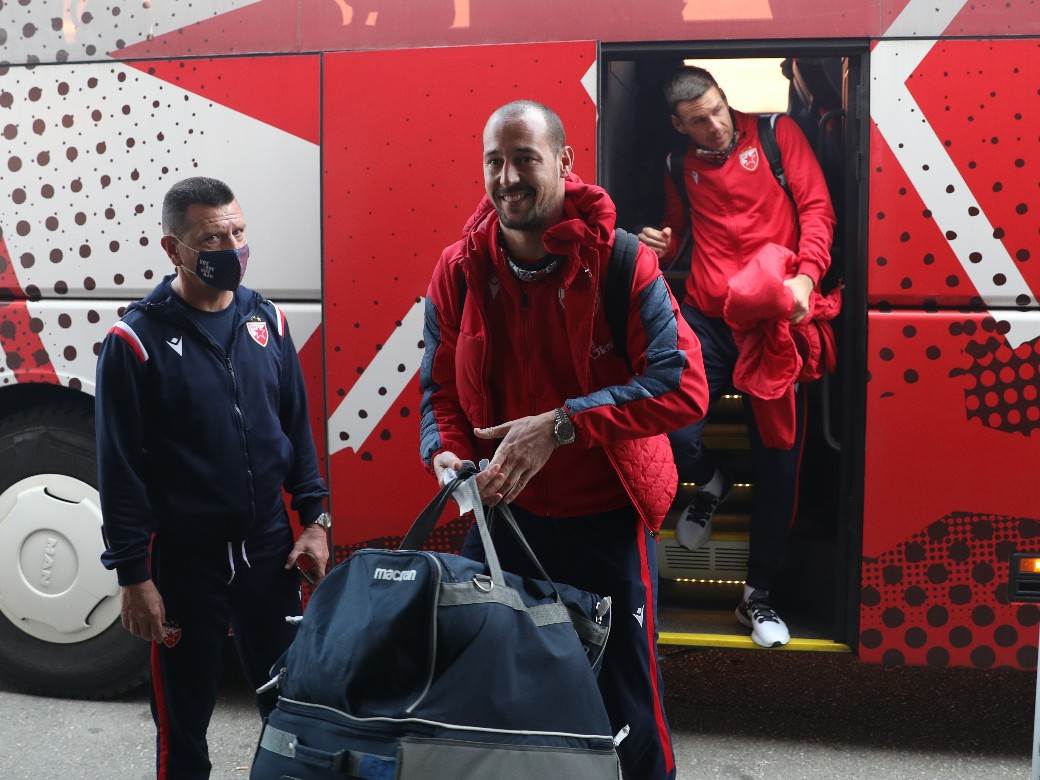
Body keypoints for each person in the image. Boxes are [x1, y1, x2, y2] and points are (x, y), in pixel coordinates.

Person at [419, 100, 709, 780]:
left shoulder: (623, 262)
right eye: (495, 161)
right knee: (491, 704)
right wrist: (448, 454)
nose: (508, 177)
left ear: (564, 162)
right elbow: (437, 394)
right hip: (502, 521)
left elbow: (684, 385)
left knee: (626, 713)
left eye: (525, 159)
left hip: (604, 521)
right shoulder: (458, 269)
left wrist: (561, 424)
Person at [95, 177, 331, 779]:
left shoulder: (267, 321)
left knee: (292, 715)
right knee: (184, 725)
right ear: (173, 249)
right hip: (184, 566)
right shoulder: (133, 342)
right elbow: (118, 471)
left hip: (270, 554)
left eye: (238, 231)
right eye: (212, 237)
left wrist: (316, 521)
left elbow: (297, 430)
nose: (232, 246)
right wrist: (133, 576)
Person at [638, 66, 836, 648]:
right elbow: (681, 227)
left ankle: (759, 597)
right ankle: (714, 480)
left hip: (775, 316)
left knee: (778, 460)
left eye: (719, 109)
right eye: (699, 120)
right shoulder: (680, 166)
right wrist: (667, 242)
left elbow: (819, 210)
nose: (715, 124)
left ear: (726, 99)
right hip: (708, 317)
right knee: (669, 426)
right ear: (679, 125)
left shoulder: (777, 136)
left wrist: (806, 278)